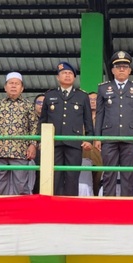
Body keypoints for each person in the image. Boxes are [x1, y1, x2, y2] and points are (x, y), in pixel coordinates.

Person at [94, 51, 133, 197]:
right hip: (109, 137)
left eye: (125, 66)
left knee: (128, 175)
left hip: (131, 137)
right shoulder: (103, 88)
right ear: (112, 70)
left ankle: (126, 207)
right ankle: (108, 205)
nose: (121, 69)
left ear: (130, 70)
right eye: (118, 66)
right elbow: (100, 114)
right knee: (109, 173)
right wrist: (97, 137)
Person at [40, 61, 93, 196]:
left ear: (74, 78)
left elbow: (88, 121)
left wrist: (89, 139)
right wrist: (40, 140)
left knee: (72, 176)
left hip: (74, 142)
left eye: (70, 73)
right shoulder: (49, 95)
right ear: (58, 77)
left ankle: (71, 208)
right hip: (54, 143)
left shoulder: (82, 96)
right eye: (64, 73)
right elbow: (43, 120)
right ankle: (55, 208)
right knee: (55, 176)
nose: (67, 76)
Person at [0, 72, 39, 195]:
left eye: (17, 84)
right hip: (0, 151)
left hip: (20, 151)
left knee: (21, 185)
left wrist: (32, 145)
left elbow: (34, 126)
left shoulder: (28, 105)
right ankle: (0, 211)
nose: (14, 86)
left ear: (22, 88)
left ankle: (22, 212)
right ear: (5, 87)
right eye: (11, 83)